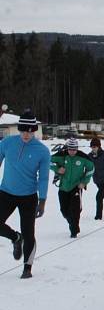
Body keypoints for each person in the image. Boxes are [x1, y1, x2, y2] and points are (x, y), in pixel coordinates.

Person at [0, 111, 49, 279]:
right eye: (23, 130)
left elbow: (43, 178)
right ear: (19, 129)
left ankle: (27, 267)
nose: (27, 134)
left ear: (34, 130)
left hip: (28, 197)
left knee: (29, 232)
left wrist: (42, 200)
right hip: (6, 193)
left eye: (30, 131)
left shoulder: (42, 151)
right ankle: (15, 237)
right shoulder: (7, 143)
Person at [50, 138, 94, 238]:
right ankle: (73, 224)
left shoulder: (82, 157)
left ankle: (74, 231)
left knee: (74, 210)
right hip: (63, 187)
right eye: (70, 149)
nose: (72, 152)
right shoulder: (62, 155)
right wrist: (57, 169)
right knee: (64, 211)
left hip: (76, 187)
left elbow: (91, 169)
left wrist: (84, 182)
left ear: (77, 149)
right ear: (67, 148)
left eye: (74, 149)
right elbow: (48, 161)